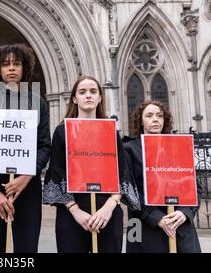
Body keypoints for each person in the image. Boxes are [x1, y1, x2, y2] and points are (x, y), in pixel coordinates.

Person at [43, 76, 140, 253]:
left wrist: (109, 206)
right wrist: (75, 211)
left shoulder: (110, 131)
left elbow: (122, 172)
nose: (88, 95)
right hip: (72, 213)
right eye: (82, 92)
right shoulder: (62, 132)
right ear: (74, 98)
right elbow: (57, 171)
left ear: (100, 97)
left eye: (93, 91)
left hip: (107, 213)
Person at [0, 44, 51, 253]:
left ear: (24, 68)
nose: (11, 68)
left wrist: (26, 177)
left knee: (26, 247)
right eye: (6, 64)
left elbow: (44, 145)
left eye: (16, 63)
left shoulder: (38, 103)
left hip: (26, 185)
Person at [124, 100, 201, 253]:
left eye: (160, 116)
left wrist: (185, 212)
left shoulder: (178, 146)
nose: (155, 119)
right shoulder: (128, 149)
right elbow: (127, 190)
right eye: (149, 115)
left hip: (178, 221)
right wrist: (156, 217)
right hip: (140, 223)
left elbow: (194, 186)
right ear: (140, 120)